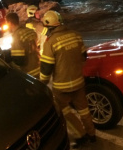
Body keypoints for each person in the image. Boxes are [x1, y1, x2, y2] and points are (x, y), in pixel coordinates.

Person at [39, 10, 96, 148]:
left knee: (64, 111)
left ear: (49, 26)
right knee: (84, 110)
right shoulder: (76, 35)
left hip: (61, 87)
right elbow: (83, 57)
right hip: (79, 82)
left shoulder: (50, 42)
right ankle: (91, 134)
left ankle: (80, 135)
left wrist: (42, 83)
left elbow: (46, 68)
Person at [6, 12, 40, 78]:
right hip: (39, 67)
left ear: (10, 23)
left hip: (29, 72)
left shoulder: (16, 36)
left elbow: (19, 59)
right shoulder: (30, 31)